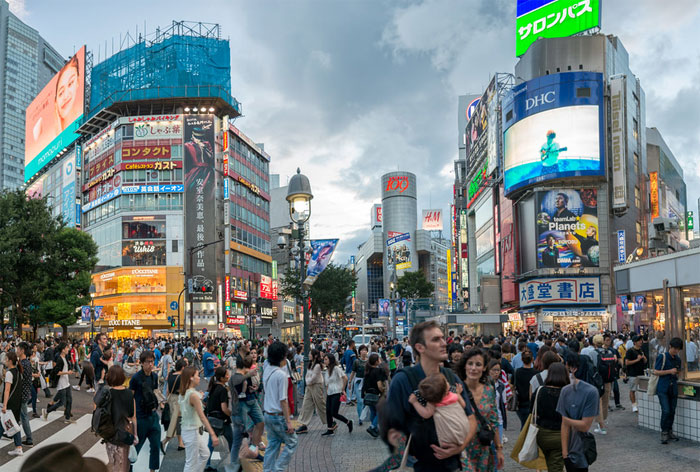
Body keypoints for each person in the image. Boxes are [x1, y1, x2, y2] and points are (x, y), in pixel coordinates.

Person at [386, 320, 477, 472]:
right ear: (419, 347)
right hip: (417, 466)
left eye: (442, 338)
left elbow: (471, 418)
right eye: (436, 339)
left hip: (453, 465)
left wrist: (459, 447)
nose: (443, 343)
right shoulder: (403, 380)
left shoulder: (451, 378)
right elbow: (391, 426)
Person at [457, 348, 504, 472]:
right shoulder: (456, 389)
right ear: (465, 366)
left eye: (478, 364)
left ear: (484, 368)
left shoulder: (489, 390)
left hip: (483, 449)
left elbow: (494, 421)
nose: (473, 368)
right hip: (462, 450)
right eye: (470, 364)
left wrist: (499, 449)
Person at [262, 341, 298, 472]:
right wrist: (288, 422)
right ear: (282, 357)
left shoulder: (266, 370)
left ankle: (268, 470)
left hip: (267, 413)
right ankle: (278, 469)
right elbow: (283, 400)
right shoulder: (281, 375)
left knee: (273, 443)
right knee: (292, 441)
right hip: (278, 415)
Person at [558, 354, 599, 472]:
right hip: (571, 451)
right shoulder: (565, 390)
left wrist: (566, 420)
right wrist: (565, 454)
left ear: (573, 368)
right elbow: (565, 426)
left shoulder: (590, 392)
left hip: (582, 450)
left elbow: (585, 425)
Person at [408, 373, 470, 448]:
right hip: (464, 427)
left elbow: (426, 414)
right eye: (446, 381)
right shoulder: (453, 395)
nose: (448, 382)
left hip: (449, 438)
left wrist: (415, 402)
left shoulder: (433, 403)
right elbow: (463, 405)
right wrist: (458, 394)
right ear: (446, 390)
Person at [178, 366, 219, 471]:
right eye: (197, 375)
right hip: (192, 431)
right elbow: (202, 416)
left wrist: (199, 396)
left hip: (189, 429)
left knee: (205, 454)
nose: (199, 378)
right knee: (191, 463)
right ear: (191, 378)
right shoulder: (193, 395)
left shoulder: (185, 392)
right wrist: (213, 434)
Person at [531, 362, 569, 472]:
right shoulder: (566, 393)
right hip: (560, 434)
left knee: (550, 462)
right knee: (556, 466)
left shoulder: (540, 391)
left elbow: (533, 412)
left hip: (542, 434)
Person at [129, 350, 162, 472]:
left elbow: (155, 392)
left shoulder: (154, 376)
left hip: (153, 416)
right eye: (148, 362)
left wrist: (161, 402)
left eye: (152, 361)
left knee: (155, 446)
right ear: (142, 363)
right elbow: (130, 397)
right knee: (135, 449)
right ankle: (128, 469)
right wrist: (131, 417)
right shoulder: (136, 378)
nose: (151, 364)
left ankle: (152, 470)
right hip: (140, 417)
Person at [102, 366, 138, 472]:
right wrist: (135, 435)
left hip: (110, 433)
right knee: (123, 465)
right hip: (124, 433)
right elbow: (133, 417)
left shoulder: (107, 393)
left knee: (113, 462)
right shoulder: (129, 394)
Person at [655, 337, 683, 444]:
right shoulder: (662, 357)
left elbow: (678, 372)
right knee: (666, 411)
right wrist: (669, 371)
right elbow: (656, 372)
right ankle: (664, 432)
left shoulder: (678, 359)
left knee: (672, 411)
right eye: (675, 348)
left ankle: (670, 431)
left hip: (673, 388)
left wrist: (677, 373)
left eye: (678, 349)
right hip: (663, 388)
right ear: (670, 346)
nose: (676, 351)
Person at [205, 367, 232, 472]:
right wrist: (231, 414)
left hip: (212, 419)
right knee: (232, 442)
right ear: (221, 378)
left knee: (211, 444)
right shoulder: (222, 390)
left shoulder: (213, 387)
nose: (228, 376)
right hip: (222, 420)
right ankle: (233, 464)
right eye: (227, 375)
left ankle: (207, 465)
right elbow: (224, 408)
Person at [295, 349, 326, 434]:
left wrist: (307, 381)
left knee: (320, 405)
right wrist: (307, 381)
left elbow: (313, 378)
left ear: (315, 356)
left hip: (316, 386)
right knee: (306, 404)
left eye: (310, 354)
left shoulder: (317, 366)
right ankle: (304, 425)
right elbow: (307, 376)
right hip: (309, 387)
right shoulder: (310, 364)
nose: (309, 355)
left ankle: (330, 421)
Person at [43, 342, 75, 424]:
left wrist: (69, 370)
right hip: (61, 383)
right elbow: (57, 372)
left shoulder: (65, 357)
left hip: (66, 382)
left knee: (69, 400)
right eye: (67, 348)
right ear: (63, 350)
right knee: (62, 402)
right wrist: (68, 372)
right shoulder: (60, 359)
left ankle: (67, 418)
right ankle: (47, 411)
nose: (68, 349)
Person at [321, 352, 353, 436]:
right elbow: (327, 383)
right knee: (328, 411)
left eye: (326, 359)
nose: (324, 361)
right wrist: (327, 393)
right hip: (329, 393)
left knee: (334, 412)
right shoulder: (327, 370)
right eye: (324, 359)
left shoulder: (336, 368)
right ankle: (330, 429)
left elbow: (345, 378)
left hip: (337, 392)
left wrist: (343, 389)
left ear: (330, 360)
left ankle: (348, 422)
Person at [162, 358, 187, 453]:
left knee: (177, 422)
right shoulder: (182, 377)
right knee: (176, 423)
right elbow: (183, 391)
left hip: (171, 399)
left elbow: (168, 390)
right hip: (178, 400)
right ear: (183, 367)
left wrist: (166, 400)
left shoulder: (171, 375)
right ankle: (165, 441)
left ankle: (180, 443)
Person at [3, 352, 24, 456]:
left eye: (6, 359)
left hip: (10, 404)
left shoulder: (9, 373)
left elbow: (7, 390)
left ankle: (19, 447)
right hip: (17, 403)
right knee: (14, 424)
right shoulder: (18, 371)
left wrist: (4, 405)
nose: (5, 361)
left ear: (10, 361)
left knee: (3, 424)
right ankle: (19, 447)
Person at [362, 352, 387, 438]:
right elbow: (379, 385)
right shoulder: (378, 371)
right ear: (376, 361)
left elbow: (364, 384)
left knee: (373, 411)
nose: (380, 360)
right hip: (376, 395)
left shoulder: (367, 371)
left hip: (368, 395)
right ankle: (372, 427)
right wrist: (383, 390)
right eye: (379, 359)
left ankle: (375, 429)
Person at [17, 342, 34, 447]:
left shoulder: (23, 364)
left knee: (23, 417)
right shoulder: (27, 363)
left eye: (18, 349)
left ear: (22, 350)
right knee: (21, 416)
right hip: (25, 392)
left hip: (21, 393)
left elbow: (20, 379)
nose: (17, 350)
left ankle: (29, 439)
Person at [513, 350, 536, 429]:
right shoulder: (535, 373)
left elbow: (513, 385)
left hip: (520, 403)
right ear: (532, 359)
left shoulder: (517, 372)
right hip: (532, 403)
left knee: (523, 425)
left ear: (522, 359)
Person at [625, 335, 646, 413]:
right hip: (633, 373)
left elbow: (645, 361)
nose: (641, 342)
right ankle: (634, 405)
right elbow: (627, 362)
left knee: (642, 390)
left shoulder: (641, 350)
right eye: (639, 340)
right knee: (633, 390)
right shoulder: (630, 351)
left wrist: (644, 358)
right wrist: (637, 360)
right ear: (634, 342)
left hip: (641, 373)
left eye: (641, 340)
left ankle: (641, 404)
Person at [349, 344, 368, 424]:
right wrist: (350, 382)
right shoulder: (356, 361)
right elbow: (353, 372)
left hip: (366, 383)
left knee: (365, 401)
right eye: (362, 350)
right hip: (358, 382)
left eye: (365, 350)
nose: (363, 352)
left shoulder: (369, 362)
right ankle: (360, 418)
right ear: (359, 351)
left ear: (367, 352)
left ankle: (363, 415)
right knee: (359, 401)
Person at [342, 340, 357, 405]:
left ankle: (350, 398)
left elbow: (342, 361)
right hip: (352, 371)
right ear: (352, 344)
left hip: (347, 370)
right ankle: (349, 399)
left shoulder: (346, 352)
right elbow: (355, 362)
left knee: (349, 385)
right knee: (351, 385)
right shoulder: (352, 353)